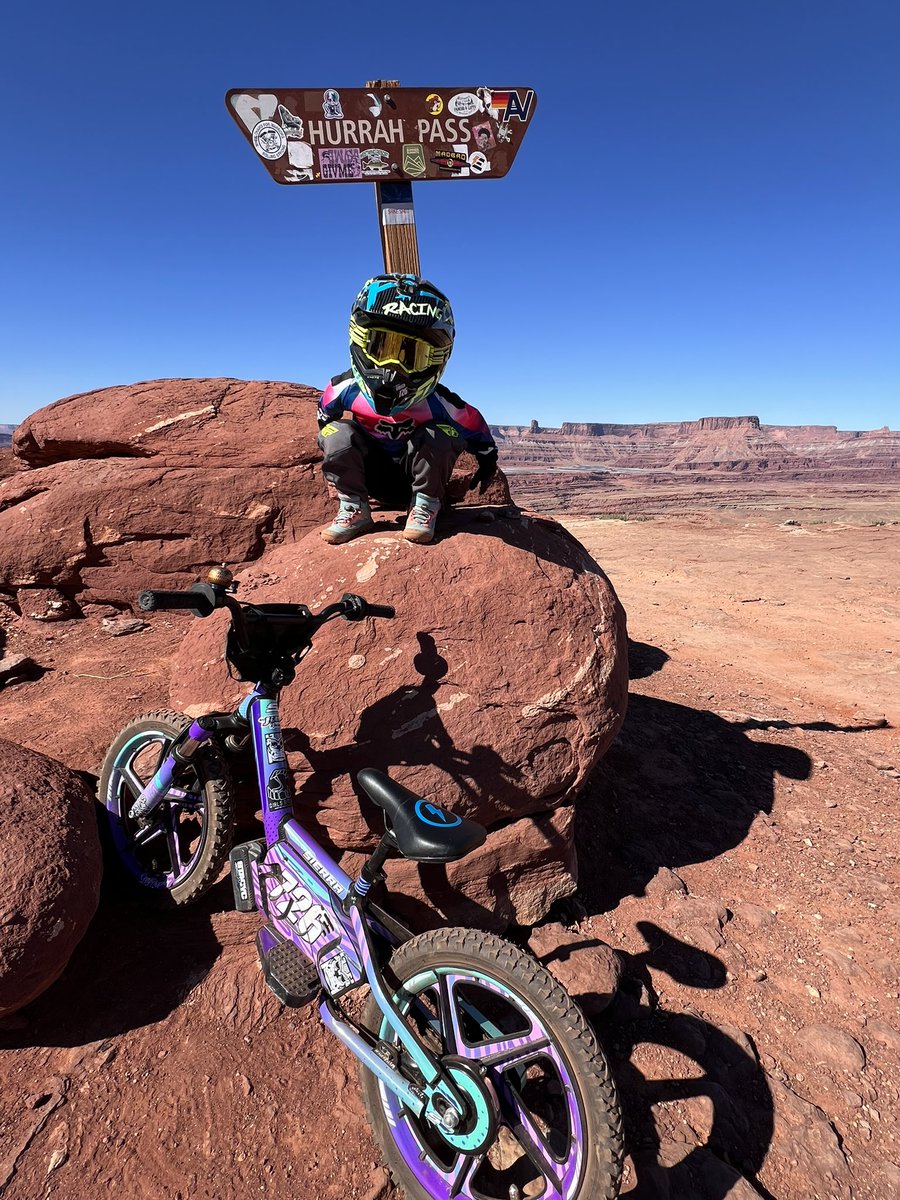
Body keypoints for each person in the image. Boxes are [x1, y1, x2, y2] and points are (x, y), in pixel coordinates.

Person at [316, 274, 498, 545]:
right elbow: (326, 426)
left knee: (440, 433)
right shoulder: (344, 389)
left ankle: (425, 506)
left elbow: (479, 432)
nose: (393, 368)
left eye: (412, 356)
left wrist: (488, 463)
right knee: (336, 432)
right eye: (382, 348)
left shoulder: (441, 403)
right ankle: (354, 508)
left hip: (417, 482)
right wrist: (487, 460)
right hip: (371, 478)